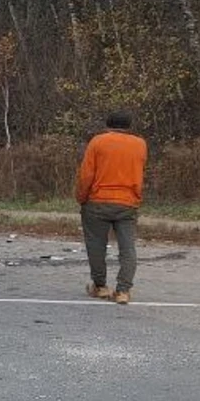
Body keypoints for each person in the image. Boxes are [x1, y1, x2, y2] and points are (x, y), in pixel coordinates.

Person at [75, 111, 148, 305]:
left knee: (96, 245)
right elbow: (139, 172)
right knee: (127, 247)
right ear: (129, 125)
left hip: (98, 201)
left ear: (108, 124)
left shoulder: (98, 142)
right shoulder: (140, 144)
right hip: (127, 202)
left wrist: (82, 197)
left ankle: (100, 286)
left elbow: (86, 174)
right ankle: (123, 290)